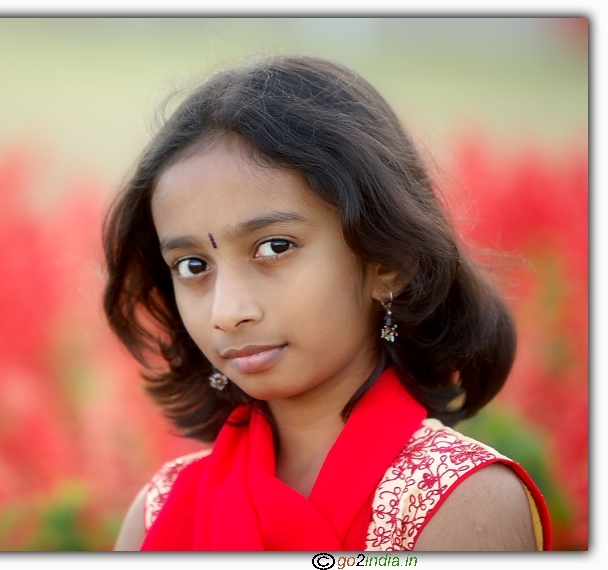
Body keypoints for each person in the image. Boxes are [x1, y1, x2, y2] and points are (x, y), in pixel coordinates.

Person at [102, 55, 551, 551]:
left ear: (388, 263)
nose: (226, 312)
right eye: (192, 266)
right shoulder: (158, 513)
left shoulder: (461, 501)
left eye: (274, 247)